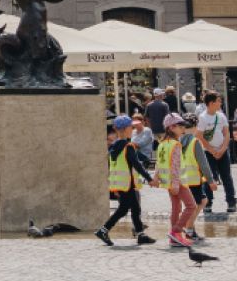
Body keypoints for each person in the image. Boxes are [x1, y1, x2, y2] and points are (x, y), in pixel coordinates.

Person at [98, 116, 155, 247]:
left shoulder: (114, 147)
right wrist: (150, 179)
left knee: (133, 207)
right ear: (124, 129)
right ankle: (103, 230)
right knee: (124, 209)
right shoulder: (127, 146)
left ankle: (140, 234)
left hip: (121, 184)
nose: (132, 129)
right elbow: (137, 165)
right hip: (127, 184)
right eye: (131, 127)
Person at [155, 113, 199, 249]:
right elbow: (174, 165)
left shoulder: (162, 144)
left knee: (176, 208)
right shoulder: (176, 144)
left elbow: (159, 163)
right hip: (177, 182)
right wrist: (175, 184)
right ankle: (176, 231)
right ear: (172, 127)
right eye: (180, 126)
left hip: (169, 182)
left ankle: (175, 238)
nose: (183, 129)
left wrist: (156, 177)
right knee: (191, 206)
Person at [198, 92, 232, 219]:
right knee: (209, 177)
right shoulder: (202, 117)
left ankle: (231, 201)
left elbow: (226, 133)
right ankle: (208, 202)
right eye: (218, 101)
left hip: (222, 151)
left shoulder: (221, 115)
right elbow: (199, 135)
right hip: (208, 152)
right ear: (212, 103)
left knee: (227, 177)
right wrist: (212, 150)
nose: (220, 103)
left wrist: (223, 149)